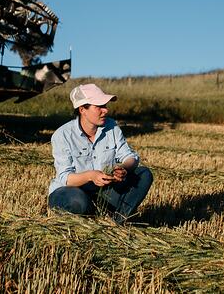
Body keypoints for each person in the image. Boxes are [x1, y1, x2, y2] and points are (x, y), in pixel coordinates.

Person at [48, 84, 153, 224]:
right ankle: (88, 214)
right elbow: (66, 178)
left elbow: (130, 156)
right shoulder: (62, 135)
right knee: (78, 202)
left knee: (143, 174)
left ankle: (117, 222)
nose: (105, 110)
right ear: (82, 110)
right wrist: (91, 176)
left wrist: (124, 169)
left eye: (105, 105)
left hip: (103, 192)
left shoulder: (112, 127)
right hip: (69, 192)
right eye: (99, 106)